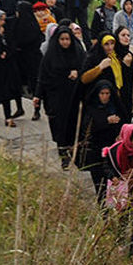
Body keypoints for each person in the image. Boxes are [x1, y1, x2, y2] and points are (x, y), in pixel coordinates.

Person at [35, 25, 84, 168]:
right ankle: (63, 155)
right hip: (55, 98)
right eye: (62, 39)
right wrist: (37, 96)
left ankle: (73, 151)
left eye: (67, 39)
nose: (65, 42)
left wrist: (77, 73)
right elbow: (42, 77)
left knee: (73, 125)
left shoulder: (78, 52)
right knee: (59, 126)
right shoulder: (50, 56)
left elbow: (86, 70)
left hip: (73, 97)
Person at [78, 79, 123, 193]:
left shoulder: (116, 106)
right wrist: (106, 121)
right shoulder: (91, 108)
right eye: (102, 94)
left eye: (107, 94)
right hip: (96, 149)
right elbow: (87, 127)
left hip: (112, 148)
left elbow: (124, 122)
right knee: (99, 181)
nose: (105, 97)